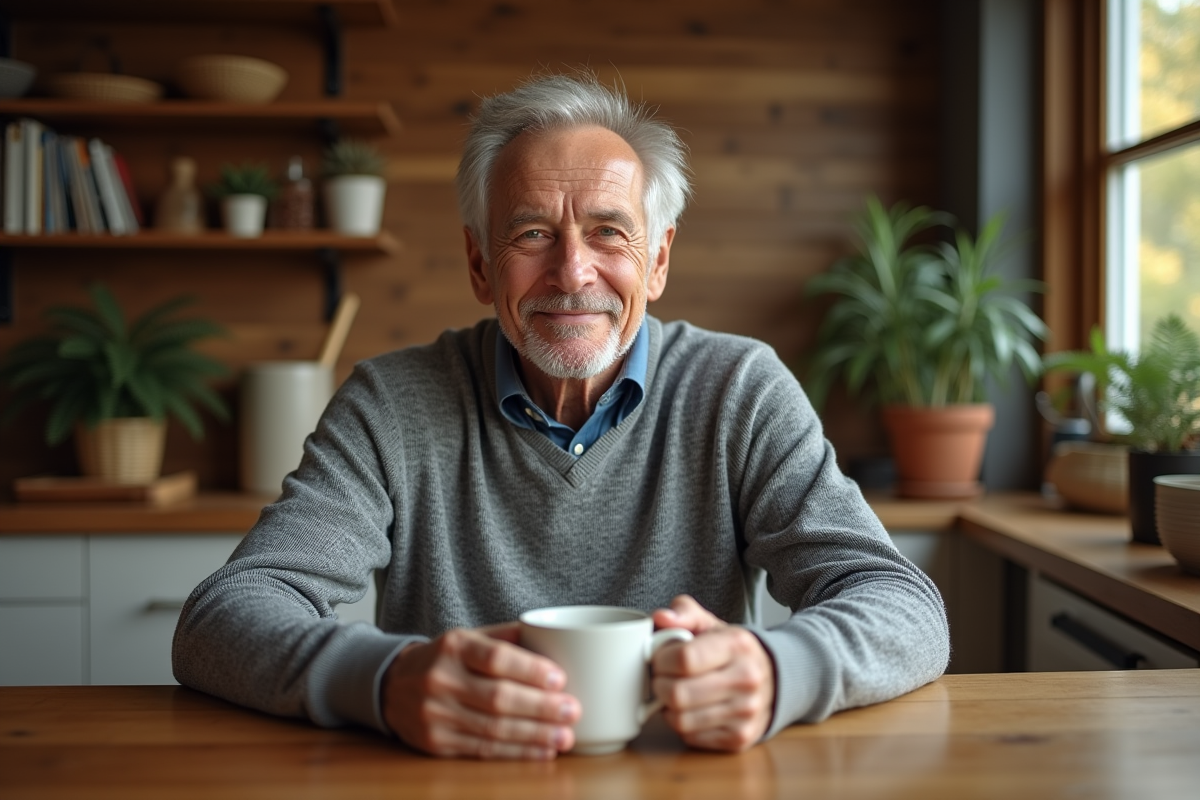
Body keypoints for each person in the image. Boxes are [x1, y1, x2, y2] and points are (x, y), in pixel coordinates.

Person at [173, 72, 950, 760]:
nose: (573, 272)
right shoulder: (391, 403)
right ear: (481, 264)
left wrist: (781, 670)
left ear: (659, 260)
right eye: (533, 233)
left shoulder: (739, 389)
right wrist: (382, 681)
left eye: (609, 231)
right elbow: (223, 618)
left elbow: (903, 607)